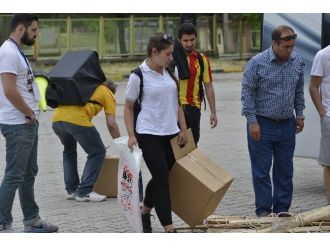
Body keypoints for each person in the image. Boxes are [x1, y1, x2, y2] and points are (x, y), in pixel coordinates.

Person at [124, 32, 188, 233]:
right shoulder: (138, 76)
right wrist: (131, 134)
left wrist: (183, 129)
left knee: (163, 176)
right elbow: (127, 107)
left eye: (172, 54)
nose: (171, 58)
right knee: (161, 178)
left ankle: (144, 212)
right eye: (167, 54)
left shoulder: (171, 72)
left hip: (171, 132)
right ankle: (169, 227)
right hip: (148, 133)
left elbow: (177, 103)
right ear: (154, 52)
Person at [0, 13, 58, 233]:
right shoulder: (7, 52)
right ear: (21, 29)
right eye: (34, 30)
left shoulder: (15, 51)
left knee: (28, 172)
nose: (37, 34)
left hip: (26, 122)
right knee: (14, 174)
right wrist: (28, 113)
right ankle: (3, 223)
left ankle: (32, 220)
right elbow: (9, 90)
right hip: (18, 123)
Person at [241, 25, 305, 217]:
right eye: (286, 47)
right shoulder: (256, 63)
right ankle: (263, 211)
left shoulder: (297, 62)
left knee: (285, 169)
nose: (289, 50)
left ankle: (282, 209)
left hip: (287, 123)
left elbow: (299, 91)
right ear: (274, 43)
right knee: (261, 170)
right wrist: (252, 121)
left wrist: (299, 114)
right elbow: (247, 94)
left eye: (292, 46)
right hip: (262, 124)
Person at [52, 79, 120, 202]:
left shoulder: (84, 84)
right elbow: (111, 124)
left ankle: (72, 190)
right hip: (77, 121)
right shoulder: (107, 92)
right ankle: (84, 191)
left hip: (57, 120)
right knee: (97, 152)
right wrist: (121, 142)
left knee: (69, 151)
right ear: (112, 90)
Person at [173, 22, 218, 145]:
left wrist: (213, 112)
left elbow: (208, 87)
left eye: (192, 40)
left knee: (192, 145)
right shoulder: (170, 58)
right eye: (185, 40)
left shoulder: (201, 59)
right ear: (179, 40)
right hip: (173, 109)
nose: (189, 44)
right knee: (175, 147)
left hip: (193, 109)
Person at [309, 44, 330, 205]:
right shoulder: (323, 55)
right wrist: (322, 113)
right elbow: (313, 86)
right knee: (329, 164)